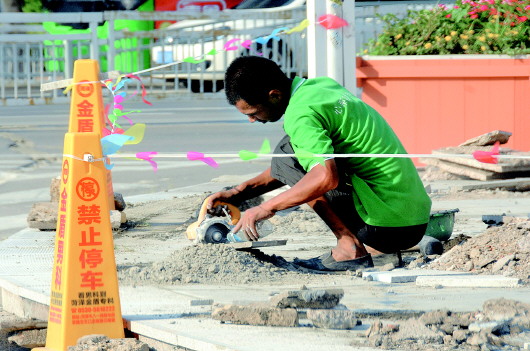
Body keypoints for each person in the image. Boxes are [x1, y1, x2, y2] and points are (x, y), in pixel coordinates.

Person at [206, 56, 432, 271]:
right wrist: (238, 193)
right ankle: (367, 243)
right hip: (414, 219)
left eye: (254, 113)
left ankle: (349, 248)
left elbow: (325, 177)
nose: (252, 120)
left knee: (289, 151)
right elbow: (298, 160)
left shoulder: (301, 115)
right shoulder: (320, 87)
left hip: (387, 227)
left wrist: (264, 208)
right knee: (292, 150)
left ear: (274, 95)